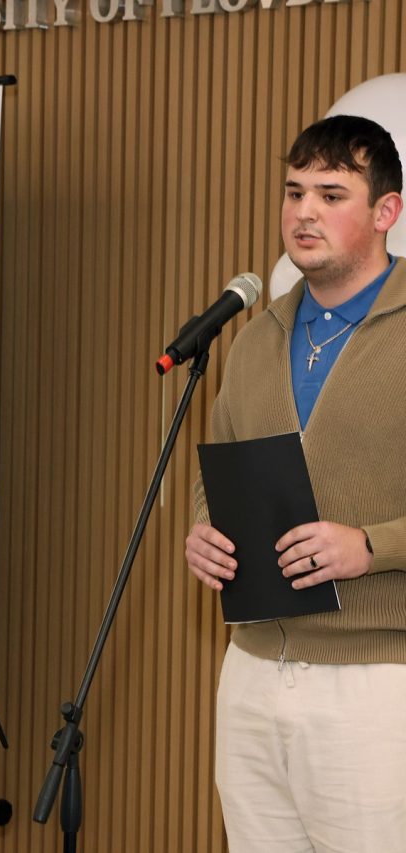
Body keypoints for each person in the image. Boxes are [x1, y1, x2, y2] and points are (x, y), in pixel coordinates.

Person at [185, 114, 406, 853]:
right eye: (294, 191)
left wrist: (370, 545)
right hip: (250, 671)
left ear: (386, 211)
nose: (304, 212)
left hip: (376, 677)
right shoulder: (256, 336)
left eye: (331, 195)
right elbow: (219, 466)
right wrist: (204, 531)